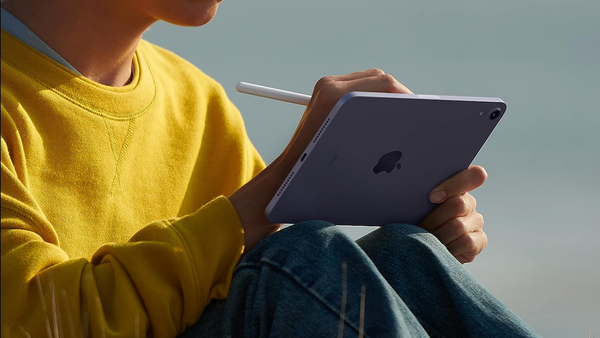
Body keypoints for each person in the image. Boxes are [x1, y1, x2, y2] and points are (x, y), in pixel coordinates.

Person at [0, 0, 541, 337]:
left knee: (405, 254)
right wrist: (283, 178)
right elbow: (41, 322)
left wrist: (424, 240)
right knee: (305, 256)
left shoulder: (197, 101)